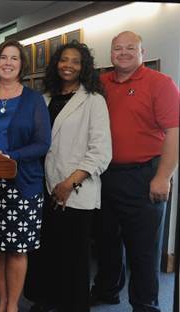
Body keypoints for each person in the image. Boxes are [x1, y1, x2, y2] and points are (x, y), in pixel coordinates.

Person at [91, 31, 179, 312]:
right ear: (111, 53)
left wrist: (163, 176)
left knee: (143, 249)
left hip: (144, 176)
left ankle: (145, 304)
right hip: (104, 175)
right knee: (106, 241)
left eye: (131, 48)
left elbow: (175, 131)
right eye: (118, 48)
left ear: (142, 52)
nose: (124, 52)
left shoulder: (160, 83)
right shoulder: (101, 82)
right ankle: (107, 291)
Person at [26, 41, 112, 312]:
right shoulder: (46, 97)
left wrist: (69, 182)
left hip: (75, 189)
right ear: (56, 64)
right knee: (48, 250)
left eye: (76, 61)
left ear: (84, 67)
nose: (69, 65)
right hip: (45, 185)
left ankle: (73, 305)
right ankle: (47, 298)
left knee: (73, 256)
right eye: (64, 60)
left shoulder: (93, 100)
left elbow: (101, 152)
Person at [0, 40, 51, 312]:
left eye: (14, 58)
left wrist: (9, 156)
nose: (8, 63)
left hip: (24, 184)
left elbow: (42, 143)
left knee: (17, 248)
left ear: (21, 65)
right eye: (3, 57)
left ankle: (13, 305)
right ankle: (1, 301)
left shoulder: (34, 100)